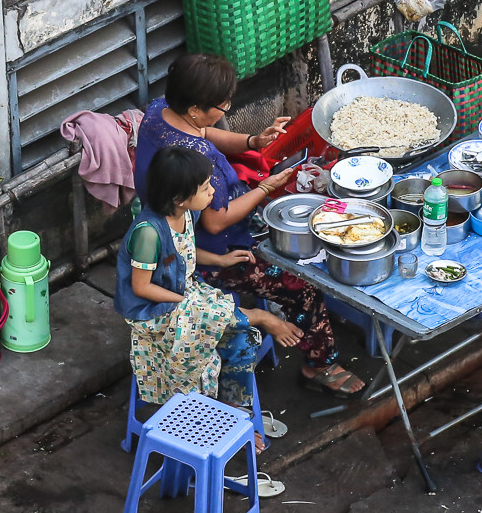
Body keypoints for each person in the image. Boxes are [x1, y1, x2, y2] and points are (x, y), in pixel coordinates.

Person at [134, 54, 366, 398]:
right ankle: (319, 365)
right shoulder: (199, 159)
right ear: (195, 107)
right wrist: (264, 189)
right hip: (204, 250)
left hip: (173, 220)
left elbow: (205, 131)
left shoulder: (158, 112)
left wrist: (252, 142)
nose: (227, 108)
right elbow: (215, 221)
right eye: (222, 104)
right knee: (302, 283)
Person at [114, 146, 304, 448]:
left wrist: (221, 261)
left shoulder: (187, 212)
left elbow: (183, 253)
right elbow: (141, 287)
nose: (213, 190)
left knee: (242, 341)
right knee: (209, 349)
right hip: (153, 311)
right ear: (179, 197)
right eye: (205, 188)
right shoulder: (149, 232)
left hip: (185, 293)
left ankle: (232, 411)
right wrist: (188, 305)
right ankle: (262, 318)